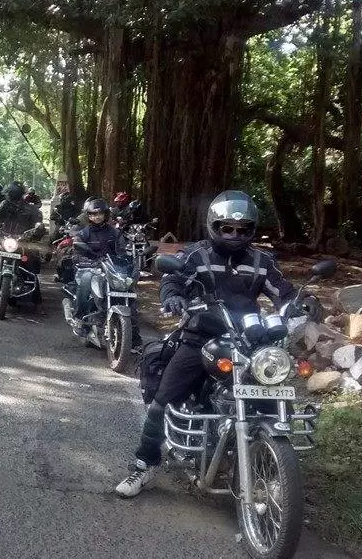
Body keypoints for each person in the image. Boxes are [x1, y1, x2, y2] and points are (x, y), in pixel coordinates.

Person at [114, 190, 295, 498]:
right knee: (162, 400)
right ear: (214, 225)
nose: (235, 235)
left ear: (251, 230)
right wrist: (172, 298)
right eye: (227, 228)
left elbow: (284, 291)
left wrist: (303, 304)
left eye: (242, 229)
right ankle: (144, 464)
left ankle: (271, 463)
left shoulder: (262, 261)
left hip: (250, 342)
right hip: (201, 338)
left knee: (274, 397)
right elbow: (174, 278)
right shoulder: (197, 254)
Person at [0, 182, 46, 311]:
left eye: (11, 193)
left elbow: (39, 227)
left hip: (23, 243)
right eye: (9, 193)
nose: (10, 195)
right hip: (6, 241)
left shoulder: (31, 209)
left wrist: (37, 230)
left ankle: (37, 303)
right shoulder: (5, 205)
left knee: (31, 271)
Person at [70, 197, 130, 332]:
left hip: (111, 269)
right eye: (93, 214)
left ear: (105, 214)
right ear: (89, 216)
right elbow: (77, 254)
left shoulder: (115, 233)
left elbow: (122, 252)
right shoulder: (84, 234)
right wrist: (87, 261)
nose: (97, 217)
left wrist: (127, 262)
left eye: (100, 214)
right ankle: (79, 319)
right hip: (90, 267)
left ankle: (135, 336)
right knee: (85, 280)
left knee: (129, 289)